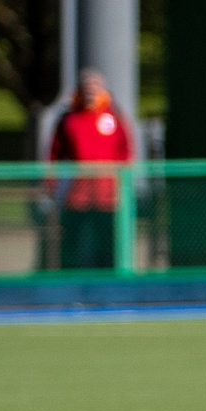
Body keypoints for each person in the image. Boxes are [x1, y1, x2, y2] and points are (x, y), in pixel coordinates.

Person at [48, 70, 133, 270]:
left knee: (107, 240)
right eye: (87, 89)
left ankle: (109, 280)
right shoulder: (69, 119)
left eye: (95, 88)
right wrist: (51, 182)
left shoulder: (113, 116)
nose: (91, 93)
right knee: (72, 238)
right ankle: (70, 279)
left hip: (106, 195)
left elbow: (125, 150)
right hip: (77, 195)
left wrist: (123, 182)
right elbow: (54, 153)